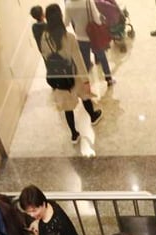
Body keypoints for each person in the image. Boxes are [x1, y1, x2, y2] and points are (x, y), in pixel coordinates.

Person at [43, 3, 103, 143]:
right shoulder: (68, 37)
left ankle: (74, 134)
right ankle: (93, 116)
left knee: (67, 107)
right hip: (73, 75)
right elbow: (79, 60)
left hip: (59, 78)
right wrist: (86, 80)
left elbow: (46, 57)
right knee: (85, 96)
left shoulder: (45, 37)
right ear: (60, 17)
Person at [64, 0, 114, 85]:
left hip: (80, 37)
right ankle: (108, 79)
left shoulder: (68, 4)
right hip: (94, 36)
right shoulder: (88, 2)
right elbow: (97, 20)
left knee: (85, 62)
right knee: (102, 57)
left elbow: (66, 22)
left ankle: (86, 84)